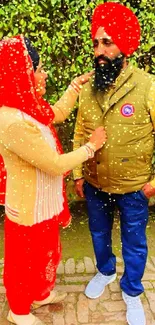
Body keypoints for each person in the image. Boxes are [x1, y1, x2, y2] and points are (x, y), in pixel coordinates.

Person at [0, 35, 107, 325]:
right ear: (22, 74)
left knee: (45, 252)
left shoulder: (29, 106)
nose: (43, 73)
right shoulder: (11, 121)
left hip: (44, 202)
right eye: (38, 68)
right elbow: (54, 164)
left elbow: (56, 114)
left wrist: (75, 86)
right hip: (27, 208)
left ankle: (39, 294)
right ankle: (19, 311)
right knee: (23, 261)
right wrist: (91, 147)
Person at [73, 2, 155, 325]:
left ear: (124, 45)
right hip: (95, 184)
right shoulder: (89, 88)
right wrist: (78, 173)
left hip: (135, 187)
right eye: (96, 43)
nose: (99, 50)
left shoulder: (148, 86)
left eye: (107, 42)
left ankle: (132, 290)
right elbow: (80, 130)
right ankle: (105, 270)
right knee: (98, 233)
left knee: (135, 241)